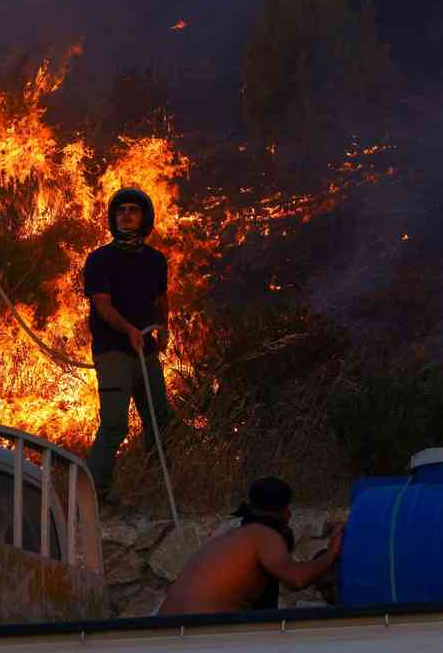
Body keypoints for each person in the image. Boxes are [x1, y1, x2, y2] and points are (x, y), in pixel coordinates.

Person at [82, 188, 172, 502]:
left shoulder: (156, 260)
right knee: (115, 425)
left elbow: (161, 298)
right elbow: (102, 305)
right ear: (113, 218)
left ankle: (160, 490)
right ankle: (94, 495)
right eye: (120, 210)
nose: (126, 214)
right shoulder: (100, 259)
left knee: (160, 421)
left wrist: (164, 327)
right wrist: (129, 330)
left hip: (146, 352)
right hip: (113, 352)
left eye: (133, 209)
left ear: (144, 217)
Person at [158, 477, 344, 615]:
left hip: (161, 633)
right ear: (287, 515)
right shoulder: (264, 536)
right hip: (200, 636)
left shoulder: (225, 540)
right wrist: (332, 553)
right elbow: (297, 579)